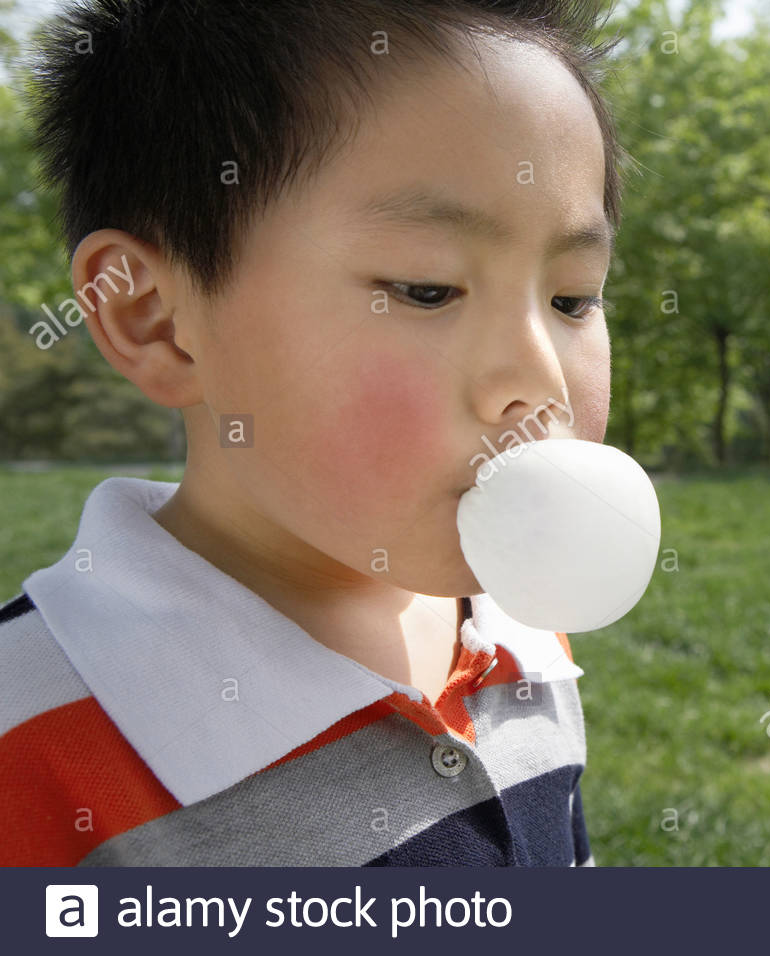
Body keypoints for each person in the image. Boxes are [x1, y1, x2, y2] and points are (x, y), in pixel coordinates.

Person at [0, 0, 627, 866]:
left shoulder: (525, 634)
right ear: (156, 320)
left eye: (572, 298)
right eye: (427, 288)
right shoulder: (27, 742)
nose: (540, 381)